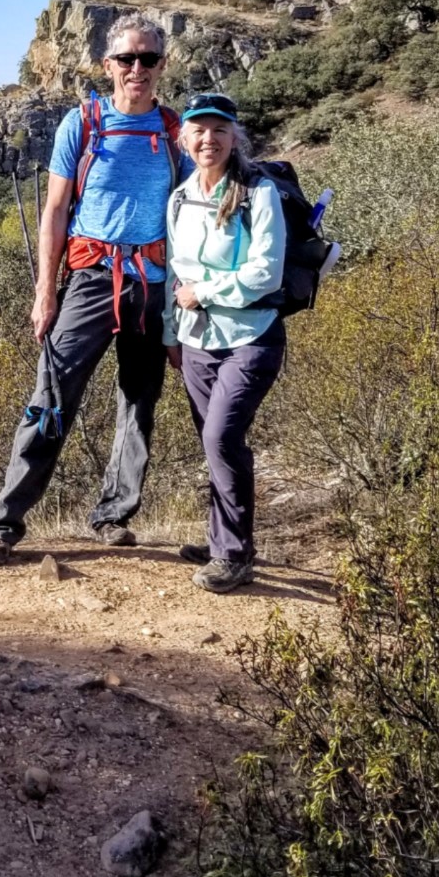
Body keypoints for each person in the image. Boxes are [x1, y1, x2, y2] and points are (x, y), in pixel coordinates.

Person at [0, 13, 189, 565]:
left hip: (154, 282)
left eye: (148, 59)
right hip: (90, 280)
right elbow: (54, 210)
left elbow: (192, 216)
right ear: (107, 65)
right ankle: (4, 524)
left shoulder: (175, 130)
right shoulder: (83, 123)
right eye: (126, 59)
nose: (136, 69)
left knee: (139, 403)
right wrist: (46, 291)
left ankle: (113, 515)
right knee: (51, 397)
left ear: (162, 64)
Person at [160, 93, 286, 594]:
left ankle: (233, 556)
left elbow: (265, 271)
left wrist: (205, 292)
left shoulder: (258, 193)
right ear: (183, 138)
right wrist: (172, 335)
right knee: (217, 445)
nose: (208, 139)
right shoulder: (180, 198)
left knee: (221, 438)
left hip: (251, 335)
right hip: (195, 341)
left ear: (235, 138)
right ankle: (224, 542)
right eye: (198, 130)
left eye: (218, 130)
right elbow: (175, 275)